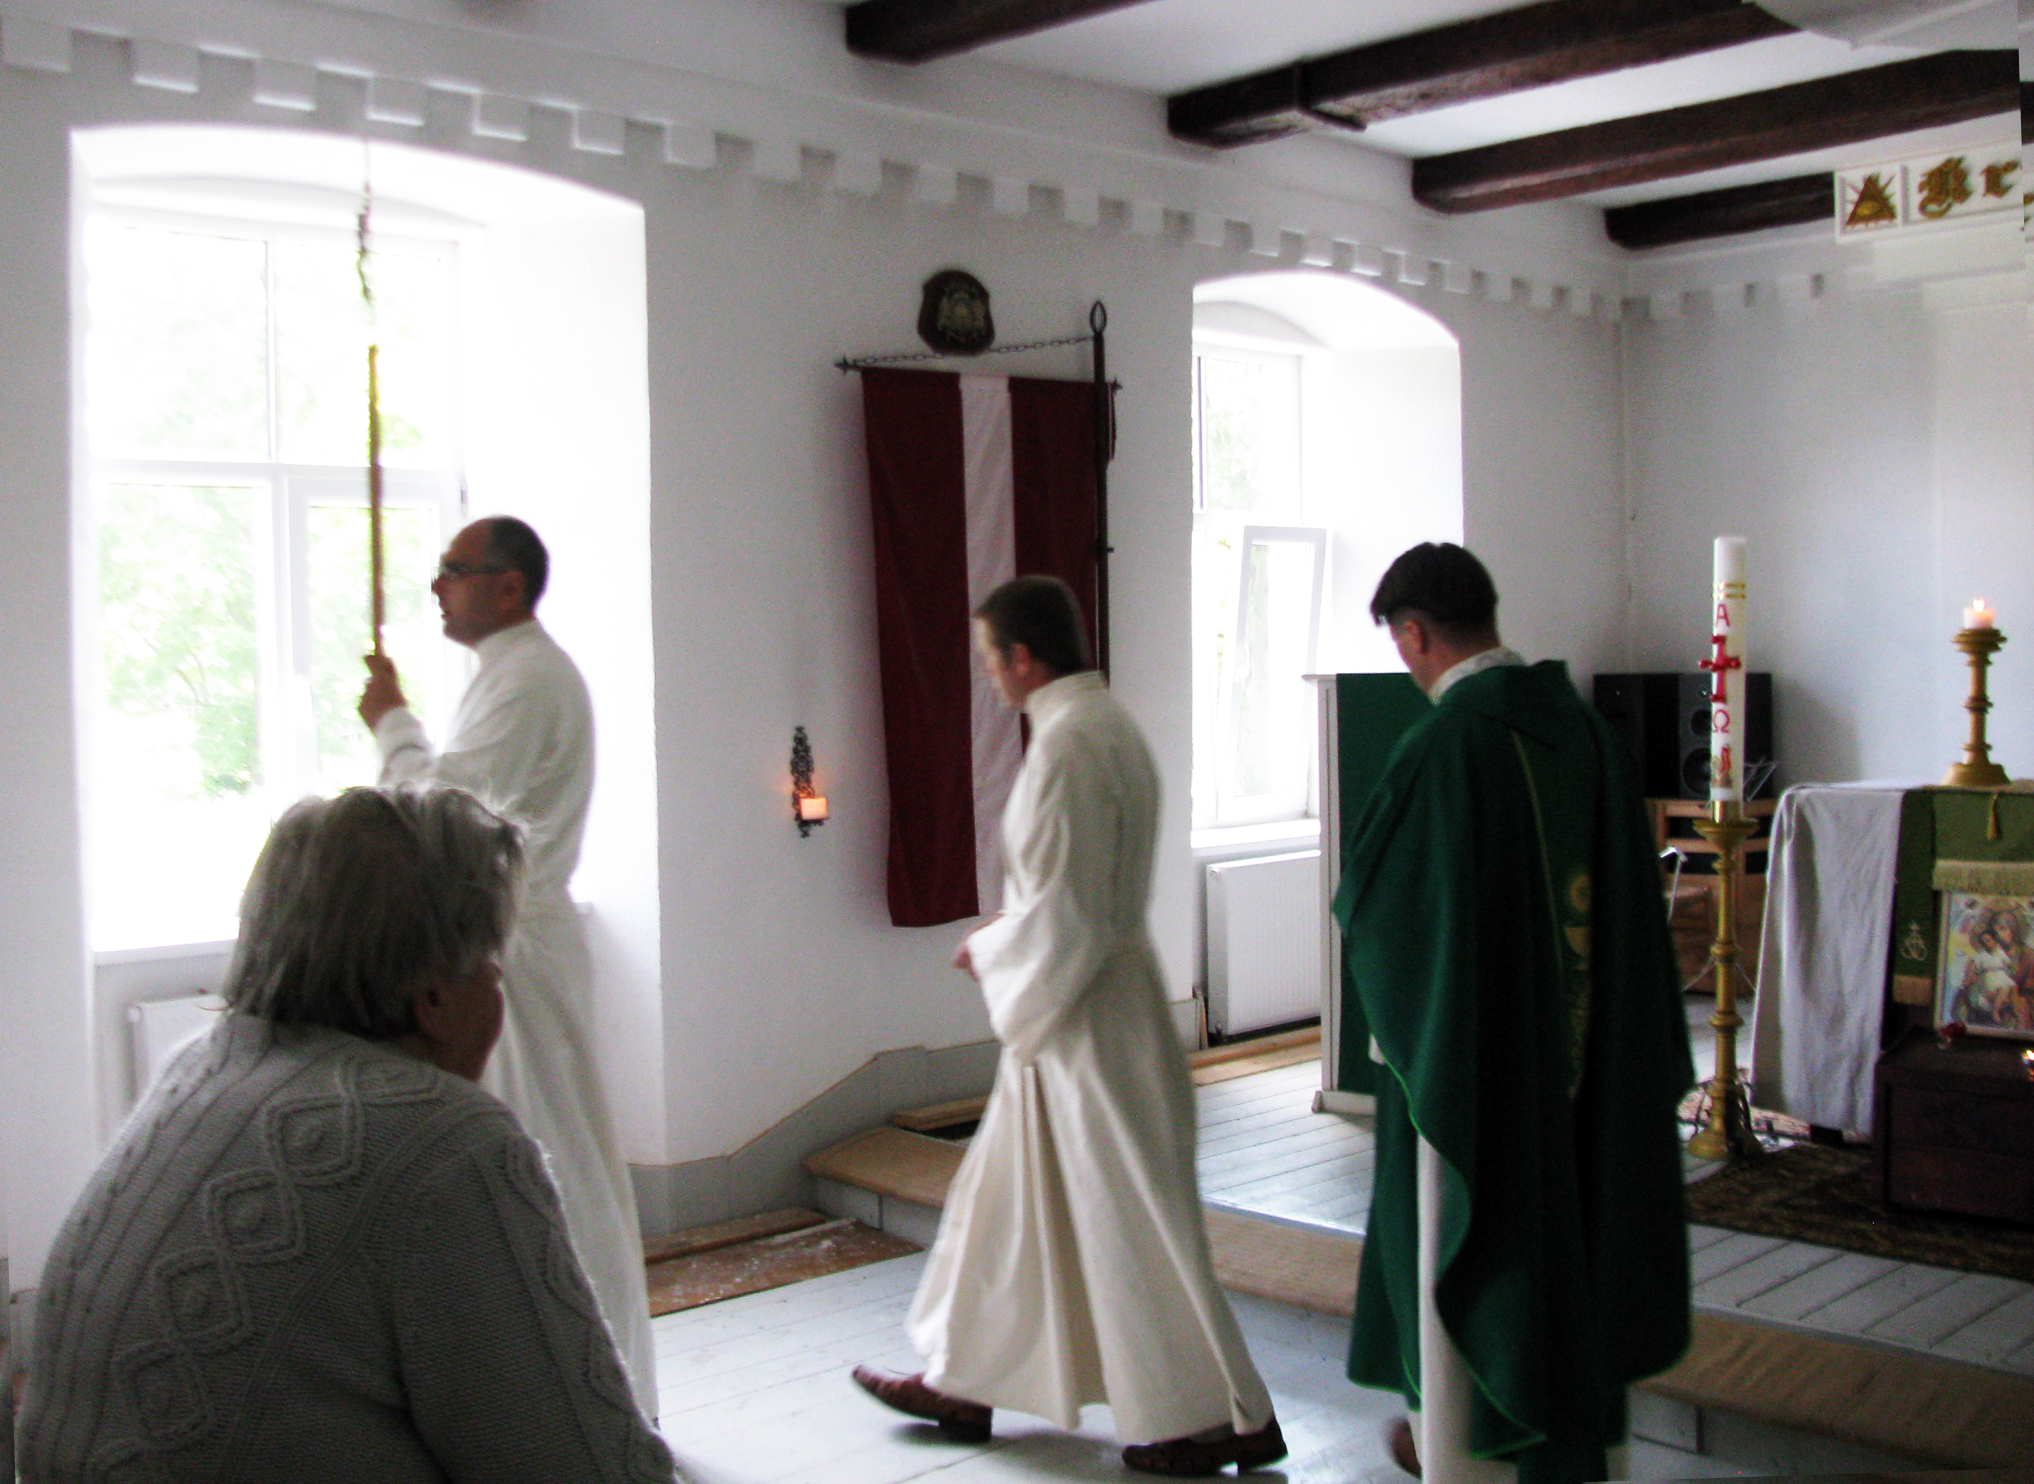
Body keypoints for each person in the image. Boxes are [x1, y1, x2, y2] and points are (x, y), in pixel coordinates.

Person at [17, 786, 681, 1484]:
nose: (499, 994)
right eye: (493, 968)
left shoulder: (198, 1069)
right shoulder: (443, 1145)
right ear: (434, 997)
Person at [850, 575, 1284, 1477]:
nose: (988, 675)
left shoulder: (1068, 748)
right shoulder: (1106, 727)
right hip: (1087, 1009)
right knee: (1003, 1207)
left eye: (990, 658)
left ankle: (1213, 1418)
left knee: (1131, 1222)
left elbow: (1070, 914)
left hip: (1085, 1020)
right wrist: (1013, 946)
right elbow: (1079, 899)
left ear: (1023, 657)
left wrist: (994, 949)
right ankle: (963, 1381)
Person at [1334, 543, 1693, 1484]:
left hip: (1477, 1081)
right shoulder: (1586, 734)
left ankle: (1468, 1451)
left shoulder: (1443, 748)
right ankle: (1571, 1443)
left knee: (1469, 1236)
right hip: (1587, 1068)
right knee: (1576, 1238)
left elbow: (1383, 916)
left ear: (1414, 635)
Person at [356, 516, 656, 1418]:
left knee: (553, 1162)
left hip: (517, 953)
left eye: (453, 570)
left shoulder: (529, 677)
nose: (437, 586)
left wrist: (391, 720)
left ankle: (599, 1395)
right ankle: (555, 1389)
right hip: (505, 946)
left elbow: (440, 811)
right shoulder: (509, 674)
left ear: (508, 586)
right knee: (532, 1160)